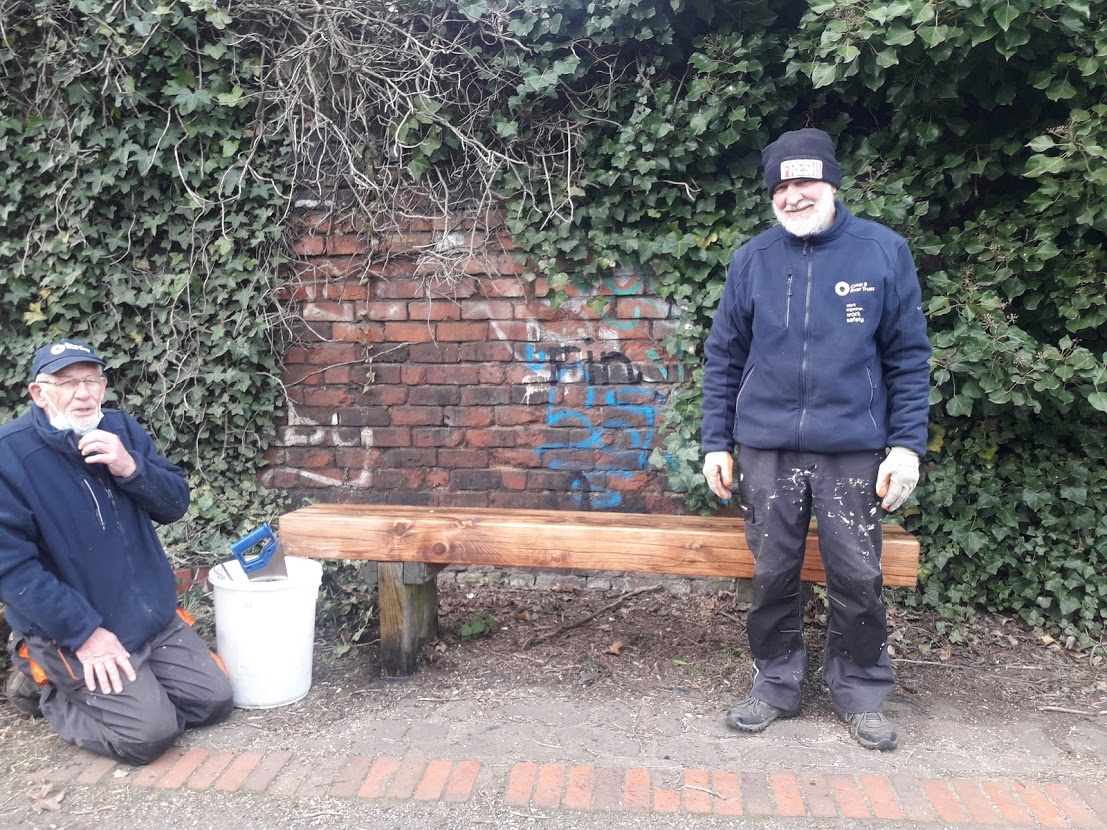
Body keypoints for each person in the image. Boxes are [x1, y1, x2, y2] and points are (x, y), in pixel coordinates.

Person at [700, 128, 931, 751]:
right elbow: (723, 356)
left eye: (804, 181)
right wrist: (715, 443)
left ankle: (860, 689)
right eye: (781, 184)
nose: (792, 195)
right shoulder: (752, 259)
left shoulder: (882, 252)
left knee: (857, 574)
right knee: (774, 573)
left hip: (852, 448)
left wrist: (906, 447)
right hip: (765, 448)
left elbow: (908, 357)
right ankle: (775, 683)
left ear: (831, 182)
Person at [0, 338, 233, 765]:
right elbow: (12, 571)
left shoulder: (122, 429)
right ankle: (43, 685)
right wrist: (84, 635)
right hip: (75, 630)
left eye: (91, 380)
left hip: (147, 618)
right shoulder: (9, 455)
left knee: (214, 702)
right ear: (38, 392)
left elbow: (175, 504)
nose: (83, 394)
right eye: (67, 383)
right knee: (148, 736)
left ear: (104, 386)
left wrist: (131, 467)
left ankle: (136, 687)